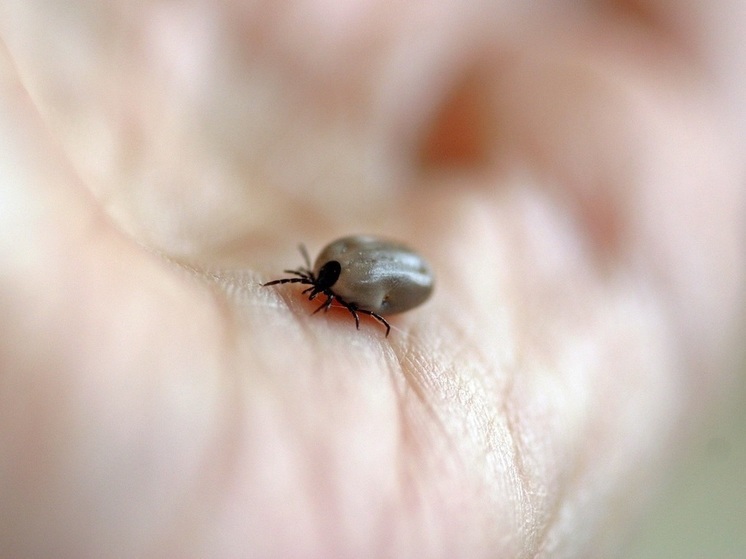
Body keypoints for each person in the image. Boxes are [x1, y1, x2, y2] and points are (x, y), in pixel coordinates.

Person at [0, 1, 743, 557]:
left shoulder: (342, 274)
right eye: (315, 286)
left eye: (315, 288)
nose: (309, 292)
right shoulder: (338, 277)